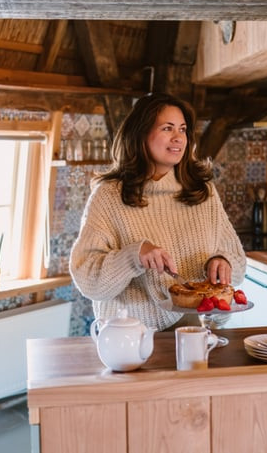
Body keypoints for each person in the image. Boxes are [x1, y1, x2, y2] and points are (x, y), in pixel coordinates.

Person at [69, 93, 246, 331]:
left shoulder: (203, 192)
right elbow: (87, 278)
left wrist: (221, 261)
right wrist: (134, 257)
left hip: (195, 329)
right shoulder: (109, 196)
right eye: (167, 128)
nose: (178, 138)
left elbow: (236, 259)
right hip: (129, 332)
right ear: (141, 134)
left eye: (182, 129)